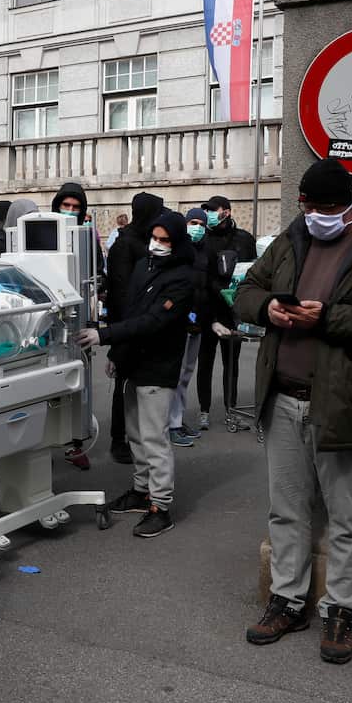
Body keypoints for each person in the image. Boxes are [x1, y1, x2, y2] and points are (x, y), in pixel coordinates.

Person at [234, 158, 352, 665]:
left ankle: (340, 610)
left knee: (348, 517)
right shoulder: (293, 238)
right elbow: (246, 290)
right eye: (308, 206)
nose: (315, 215)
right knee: (287, 509)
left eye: (325, 207)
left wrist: (330, 318)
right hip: (285, 397)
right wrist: (267, 309)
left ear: (348, 206)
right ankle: (288, 600)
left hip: (344, 403)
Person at [78, 210, 193, 539]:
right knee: (136, 433)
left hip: (159, 366)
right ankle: (142, 492)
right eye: (154, 238)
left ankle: (161, 505)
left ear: (176, 241)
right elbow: (132, 312)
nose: (157, 244)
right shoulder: (145, 266)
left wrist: (104, 335)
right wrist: (117, 353)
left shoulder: (183, 277)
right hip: (133, 363)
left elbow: (155, 321)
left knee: (155, 438)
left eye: (165, 240)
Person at [104, 192, 165, 465]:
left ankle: (139, 435)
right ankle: (119, 439)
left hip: (146, 324)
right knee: (123, 383)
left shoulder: (145, 241)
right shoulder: (124, 244)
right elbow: (121, 291)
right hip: (128, 324)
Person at [51, 182, 103, 470]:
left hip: (80, 317)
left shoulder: (87, 237)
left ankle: (75, 441)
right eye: (65, 206)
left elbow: (98, 273)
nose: (69, 212)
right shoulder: (44, 233)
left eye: (75, 207)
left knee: (78, 382)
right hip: (51, 320)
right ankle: (47, 440)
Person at [197, 196, 257, 430]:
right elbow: (200, 276)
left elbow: (254, 272)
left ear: (227, 212)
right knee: (206, 361)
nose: (210, 214)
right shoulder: (203, 239)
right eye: (208, 210)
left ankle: (231, 410)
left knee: (231, 363)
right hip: (208, 312)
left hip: (233, 312)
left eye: (214, 210)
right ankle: (204, 410)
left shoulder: (244, 239)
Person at [166, 208, 209, 447]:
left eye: (201, 224)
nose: (198, 227)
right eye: (193, 222)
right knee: (176, 373)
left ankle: (178, 419)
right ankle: (171, 424)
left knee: (186, 375)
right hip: (180, 322)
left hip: (197, 323)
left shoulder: (204, 252)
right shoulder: (179, 251)